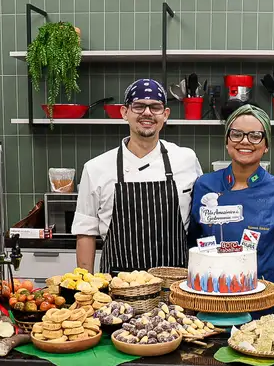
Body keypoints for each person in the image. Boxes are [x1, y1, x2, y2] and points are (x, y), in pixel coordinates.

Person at [72, 78, 203, 274]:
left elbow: (201, 220)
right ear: (124, 112)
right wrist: (86, 285)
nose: (147, 113)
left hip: (175, 283)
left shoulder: (186, 159)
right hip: (117, 284)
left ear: (165, 114)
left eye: (155, 107)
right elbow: (85, 232)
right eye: (139, 106)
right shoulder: (96, 168)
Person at [188, 104, 274, 295]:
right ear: (227, 141)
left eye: (255, 136)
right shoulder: (204, 185)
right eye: (236, 134)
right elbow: (193, 238)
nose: (245, 141)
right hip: (210, 296)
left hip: (262, 299)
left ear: (266, 145)